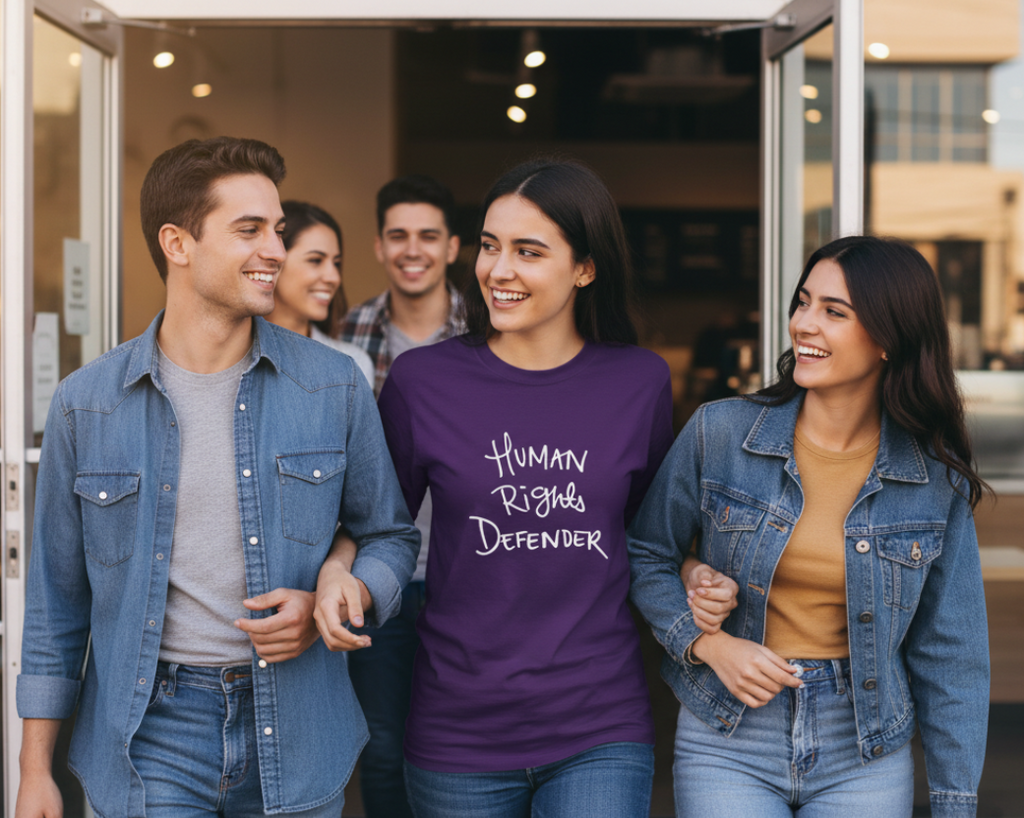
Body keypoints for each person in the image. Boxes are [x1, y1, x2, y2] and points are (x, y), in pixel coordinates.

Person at [317, 158, 736, 817]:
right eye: (490, 246)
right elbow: (381, 525)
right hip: (459, 725)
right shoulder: (423, 382)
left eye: (528, 251)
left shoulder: (639, 382)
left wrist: (695, 572)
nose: (498, 270)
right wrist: (340, 573)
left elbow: (647, 534)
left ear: (585, 268)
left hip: (599, 720)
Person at [15, 137, 420, 818]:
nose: (275, 251)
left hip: (297, 722)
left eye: (278, 231)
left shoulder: (333, 385)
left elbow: (389, 534)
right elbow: (57, 601)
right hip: (150, 734)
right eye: (249, 229)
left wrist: (341, 592)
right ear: (178, 243)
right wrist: (35, 770)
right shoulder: (87, 404)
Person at [628, 235, 990, 818]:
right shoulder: (720, 433)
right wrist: (708, 644)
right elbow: (647, 553)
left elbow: (952, 653)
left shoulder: (931, 478)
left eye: (833, 311)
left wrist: (955, 802)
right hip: (729, 734)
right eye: (803, 302)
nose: (803, 323)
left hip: (864, 747)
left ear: (888, 340)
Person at [338, 174, 465, 818]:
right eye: (398, 235)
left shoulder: (492, 330)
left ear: (453, 247)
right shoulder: (350, 332)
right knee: (384, 745)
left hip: (465, 576)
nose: (412, 250)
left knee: (464, 745)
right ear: (379, 246)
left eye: (428, 236)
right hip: (377, 573)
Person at [266, 199, 374, 386]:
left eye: (336, 263)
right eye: (316, 260)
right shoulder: (231, 356)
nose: (334, 278)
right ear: (274, 261)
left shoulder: (351, 363)